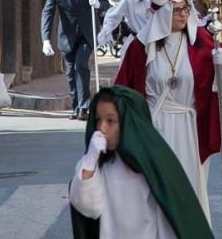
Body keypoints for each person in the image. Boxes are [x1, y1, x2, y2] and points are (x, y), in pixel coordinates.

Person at [113, 0, 222, 225]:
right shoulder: (141, 47)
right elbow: (124, 92)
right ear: (161, 15)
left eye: (185, 9)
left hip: (190, 127)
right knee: (155, 187)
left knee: (189, 185)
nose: (182, 15)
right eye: (176, 10)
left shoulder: (200, 40)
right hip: (154, 126)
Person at [68, 86, 213, 239]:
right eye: (98, 120)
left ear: (129, 122)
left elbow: (172, 221)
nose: (101, 128)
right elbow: (88, 208)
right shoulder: (99, 166)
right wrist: (90, 160)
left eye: (110, 121)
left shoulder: (156, 165)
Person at [41, 0, 110, 121]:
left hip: (86, 34)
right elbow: (48, 13)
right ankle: (76, 106)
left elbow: (105, 3)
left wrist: (98, 3)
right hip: (67, 37)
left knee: (81, 66)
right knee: (70, 73)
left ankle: (85, 106)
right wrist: (45, 39)